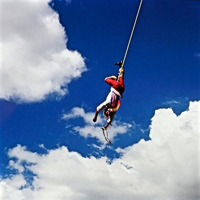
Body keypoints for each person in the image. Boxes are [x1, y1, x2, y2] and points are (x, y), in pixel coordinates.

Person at [93, 61, 125, 130]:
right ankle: (120, 67)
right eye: (108, 114)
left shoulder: (107, 103)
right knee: (121, 76)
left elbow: (98, 108)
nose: (108, 113)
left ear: (106, 110)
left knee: (106, 79)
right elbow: (110, 119)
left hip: (117, 88)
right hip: (120, 90)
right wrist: (106, 126)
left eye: (106, 112)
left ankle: (117, 73)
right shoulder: (113, 110)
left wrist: (95, 117)